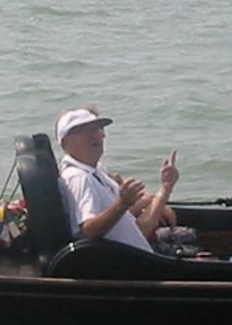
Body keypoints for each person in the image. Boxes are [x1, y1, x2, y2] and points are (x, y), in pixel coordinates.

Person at [53, 108, 179, 252]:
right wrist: (123, 203)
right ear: (66, 141)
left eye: (99, 129)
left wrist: (166, 188)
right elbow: (89, 231)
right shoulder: (79, 177)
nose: (101, 135)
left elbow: (130, 228)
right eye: (89, 130)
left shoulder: (95, 172)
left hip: (140, 253)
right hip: (132, 262)